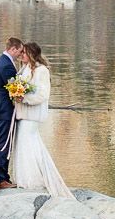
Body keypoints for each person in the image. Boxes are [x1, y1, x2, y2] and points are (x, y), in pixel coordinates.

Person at [10, 41, 71, 197]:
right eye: (21, 52)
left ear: (31, 54)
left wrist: (24, 98)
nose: (21, 55)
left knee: (30, 143)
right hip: (22, 114)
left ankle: (33, 180)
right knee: (23, 145)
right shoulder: (24, 69)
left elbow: (43, 95)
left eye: (24, 52)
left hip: (32, 115)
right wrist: (15, 94)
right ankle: (24, 179)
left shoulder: (41, 70)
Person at [0, 36, 21, 189]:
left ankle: (2, 177)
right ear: (13, 49)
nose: (20, 55)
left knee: (2, 143)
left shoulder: (0, 61)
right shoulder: (6, 66)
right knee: (4, 145)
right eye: (19, 52)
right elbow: (15, 89)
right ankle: (0, 179)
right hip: (4, 111)